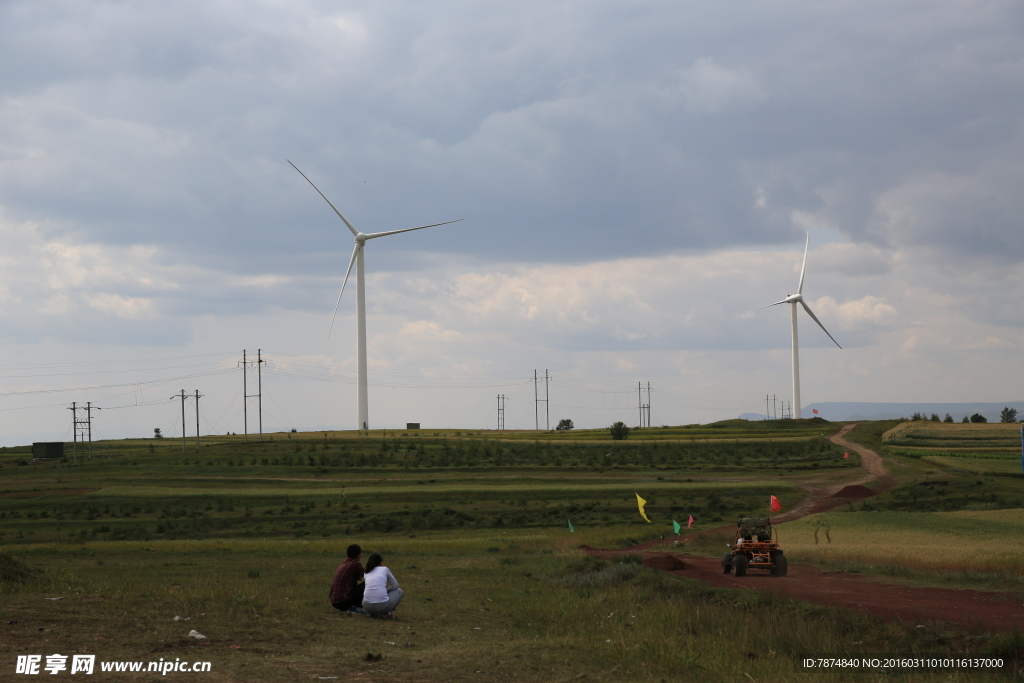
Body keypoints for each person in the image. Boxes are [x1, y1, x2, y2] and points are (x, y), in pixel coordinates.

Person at [361, 553, 403, 618]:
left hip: (366, 606)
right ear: (380, 563)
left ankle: (371, 613)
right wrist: (386, 591)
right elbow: (395, 586)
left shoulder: (366, 572)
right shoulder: (384, 569)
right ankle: (387, 613)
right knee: (400, 591)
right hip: (381, 606)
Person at [329, 544, 366, 612]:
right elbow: (369, 576)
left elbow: (359, 577)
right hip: (343, 601)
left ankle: (347, 608)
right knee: (369, 583)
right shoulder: (355, 564)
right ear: (359, 555)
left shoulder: (344, 562)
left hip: (334, 601)